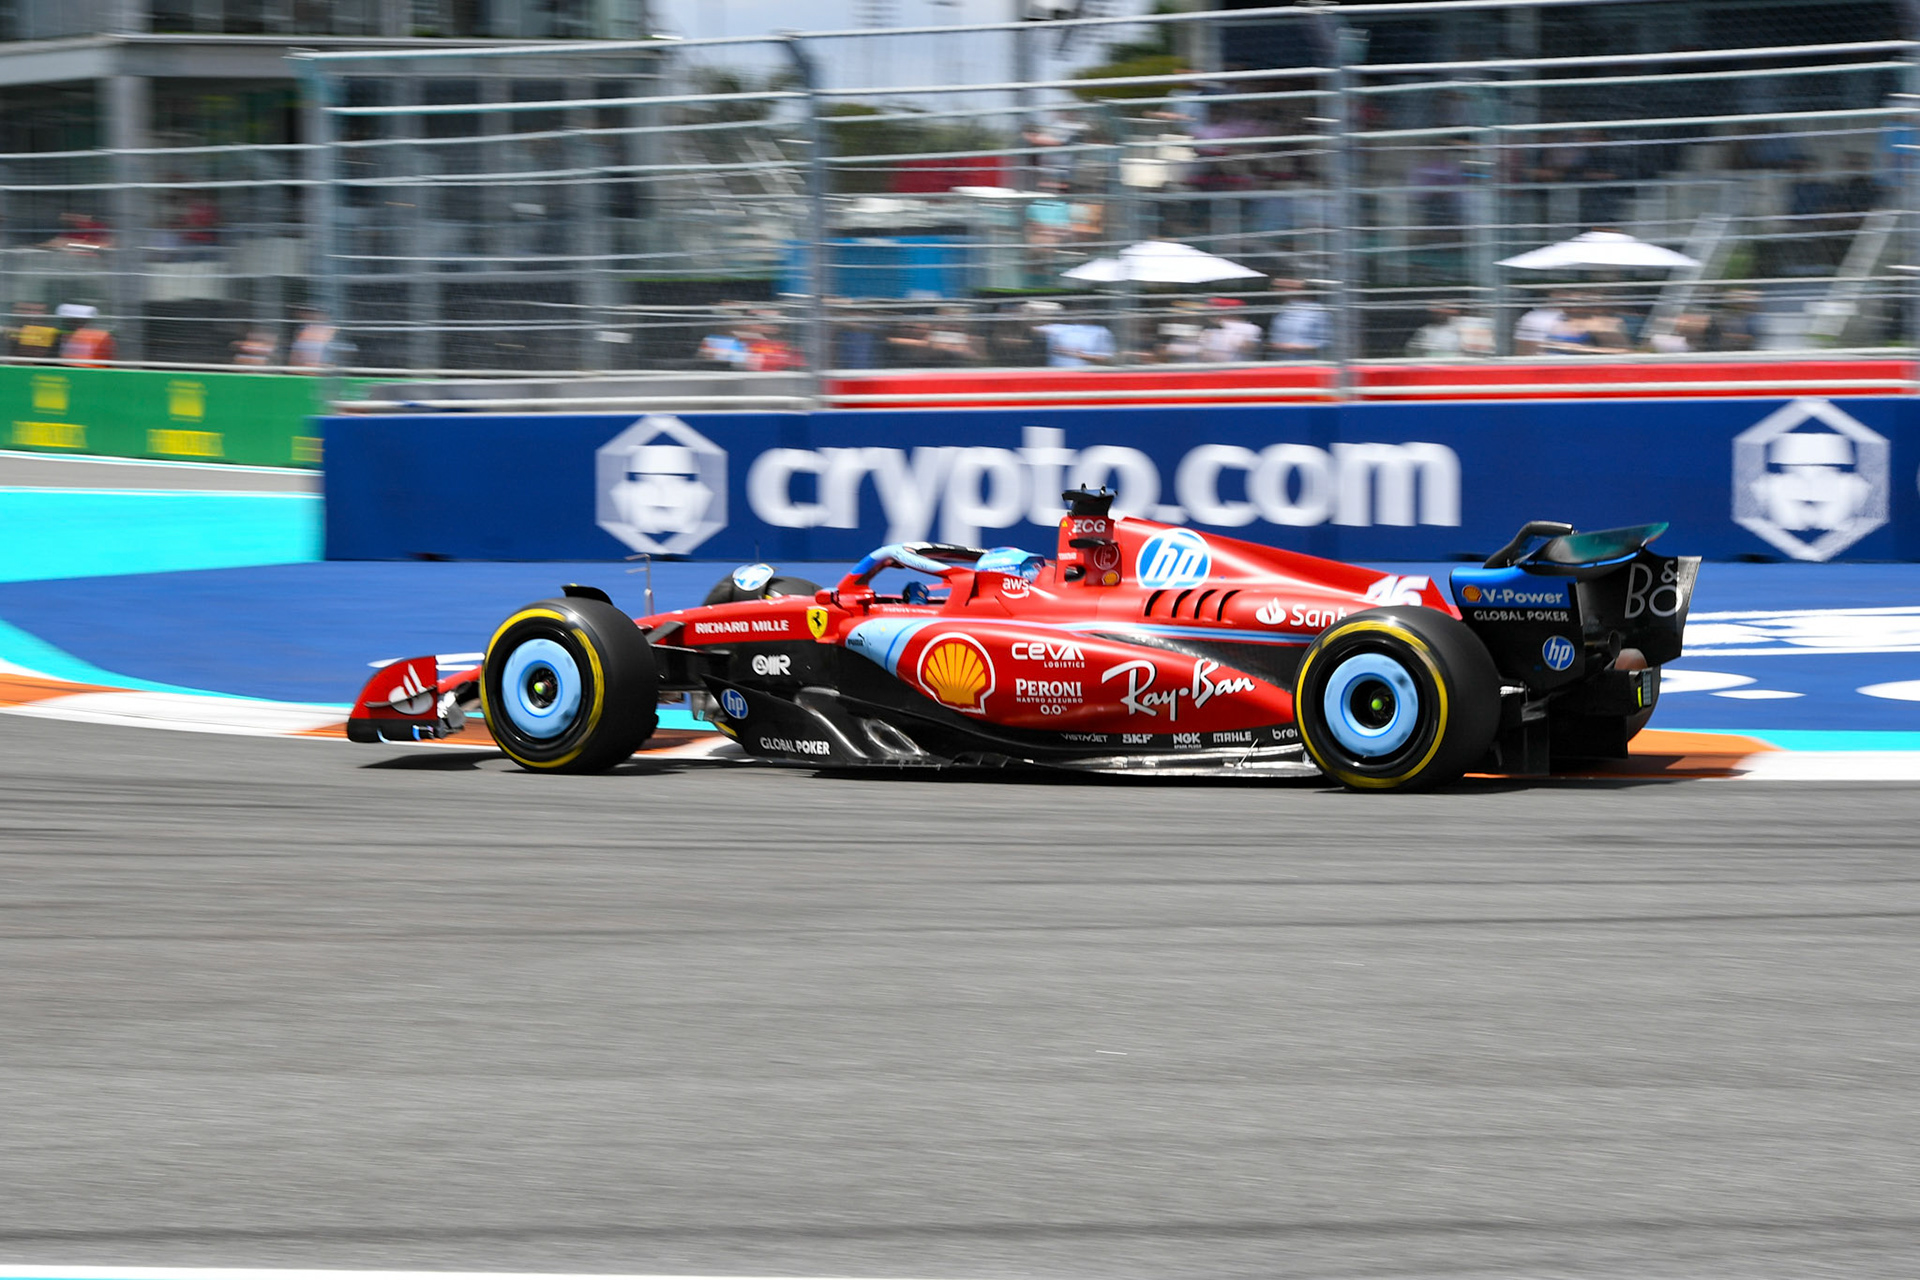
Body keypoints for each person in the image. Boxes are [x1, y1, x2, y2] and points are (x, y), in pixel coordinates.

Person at [1267, 278, 1329, 359]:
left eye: (1281, 287)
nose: (1275, 290)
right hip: (1281, 364)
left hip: (1305, 365)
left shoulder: (1317, 311)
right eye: (1275, 287)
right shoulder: (1284, 309)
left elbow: (1324, 343)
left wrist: (1293, 348)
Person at [1037, 308, 1116, 368]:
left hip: (1084, 376)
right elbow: (1032, 328)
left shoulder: (1100, 331)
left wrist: (1075, 354)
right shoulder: (1059, 328)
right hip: (1056, 375)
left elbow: (1105, 359)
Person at [1199, 297, 1261, 363]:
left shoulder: (1250, 328)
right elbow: (1203, 355)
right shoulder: (1211, 330)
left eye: (1216, 312)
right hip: (1214, 370)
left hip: (1240, 370)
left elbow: (1250, 349)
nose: (1213, 315)